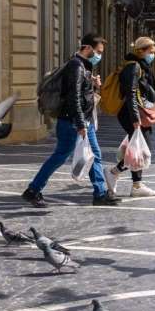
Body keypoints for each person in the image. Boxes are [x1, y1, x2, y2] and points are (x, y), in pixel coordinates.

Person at [22, 35, 118, 208]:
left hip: (81, 120)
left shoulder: (82, 66)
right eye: (98, 52)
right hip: (72, 121)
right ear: (87, 48)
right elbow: (73, 97)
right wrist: (80, 123)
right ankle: (33, 190)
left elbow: (80, 91)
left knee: (95, 155)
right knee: (60, 156)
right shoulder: (76, 66)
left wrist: (92, 84)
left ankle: (100, 193)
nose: (99, 56)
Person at [106, 37, 155, 198]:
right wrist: (136, 119)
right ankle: (114, 172)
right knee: (143, 149)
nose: (152, 55)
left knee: (138, 148)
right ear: (141, 51)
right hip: (131, 113)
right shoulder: (134, 67)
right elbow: (130, 93)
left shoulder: (140, 66)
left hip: (135, 111)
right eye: (150, 52)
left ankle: (136, 185)